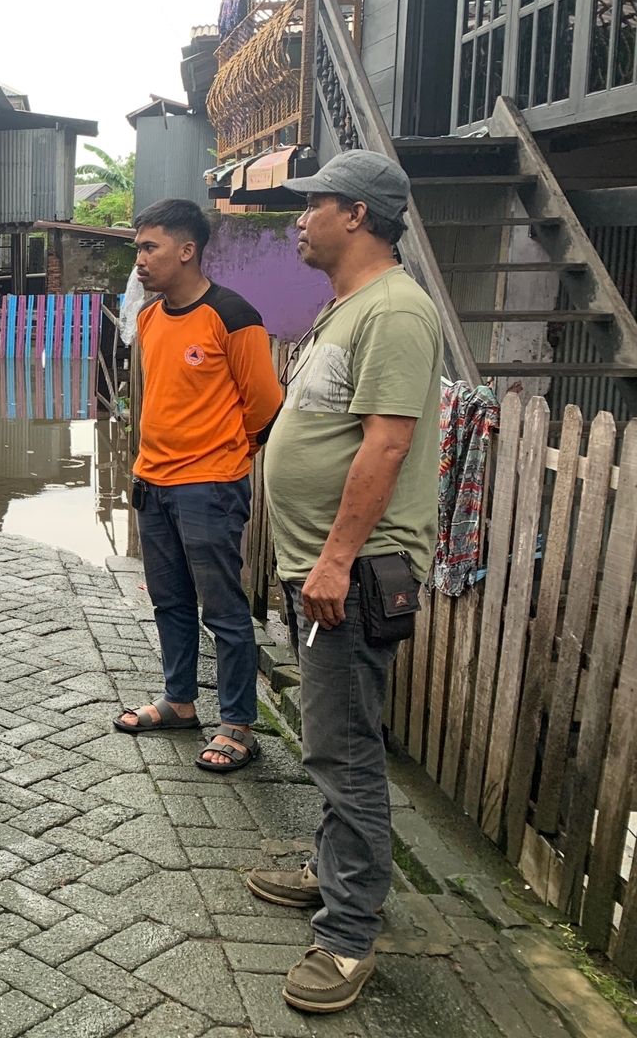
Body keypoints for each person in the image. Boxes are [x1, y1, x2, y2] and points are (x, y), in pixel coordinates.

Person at [248, 150, 440, 1014]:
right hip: (324, 567)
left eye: (313, 203)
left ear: (357, 214)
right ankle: (334, 872)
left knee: (345, 748)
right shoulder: (350, 306)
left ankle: (349, 935)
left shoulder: (395, 310)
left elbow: (387, 445)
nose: (299, 219)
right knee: (332, 737)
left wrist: (333, 560)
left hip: (353, 572)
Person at [114, 199, 284, 772]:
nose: (139, 260)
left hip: (209, 487)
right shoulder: (149, 318)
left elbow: (264, 405)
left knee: (224, 609)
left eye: (150, 247)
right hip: (154, 482)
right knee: (169, 601)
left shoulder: (232, 316)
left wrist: (229, 456)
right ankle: (180, 702)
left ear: (187, 250)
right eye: (138, 248)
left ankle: (238, 724)